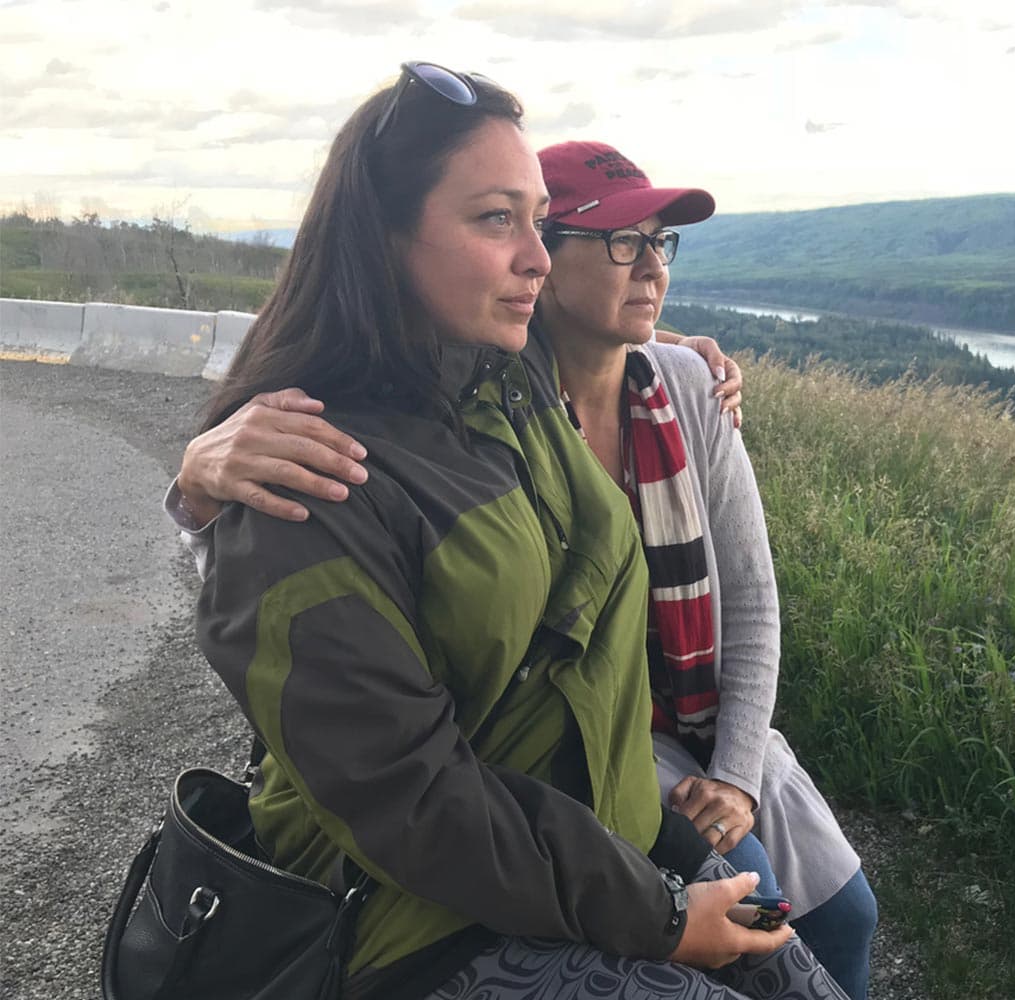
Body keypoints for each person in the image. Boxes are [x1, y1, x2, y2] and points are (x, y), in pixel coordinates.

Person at [180, 61, 846, 1000]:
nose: (535, 255)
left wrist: (691, 357)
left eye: (538, 220)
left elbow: (608, 321)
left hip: (607, 843)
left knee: (806, 965)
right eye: (497, 219)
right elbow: (412, 796)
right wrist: (199, 478)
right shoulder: (310, 468)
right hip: (427, 923)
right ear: (382, 236)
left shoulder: (508, 383)